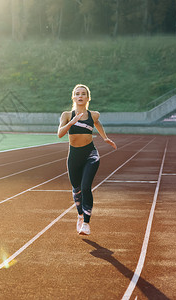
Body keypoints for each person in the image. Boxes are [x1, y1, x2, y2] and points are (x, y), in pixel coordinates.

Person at [57, 84, 117, 235]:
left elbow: (97, 123)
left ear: (88, 97)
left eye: (83, 94)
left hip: (90, 154)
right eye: (77, 94)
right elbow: (59, 134)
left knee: (85, 187)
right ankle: (80, 215)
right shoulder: (66, 115)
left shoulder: (93, 115)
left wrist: (105, 138)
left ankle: (86, 223)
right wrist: (72, 122)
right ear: (73, 97)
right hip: (74, 156)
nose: (80, 96)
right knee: (76, 189)